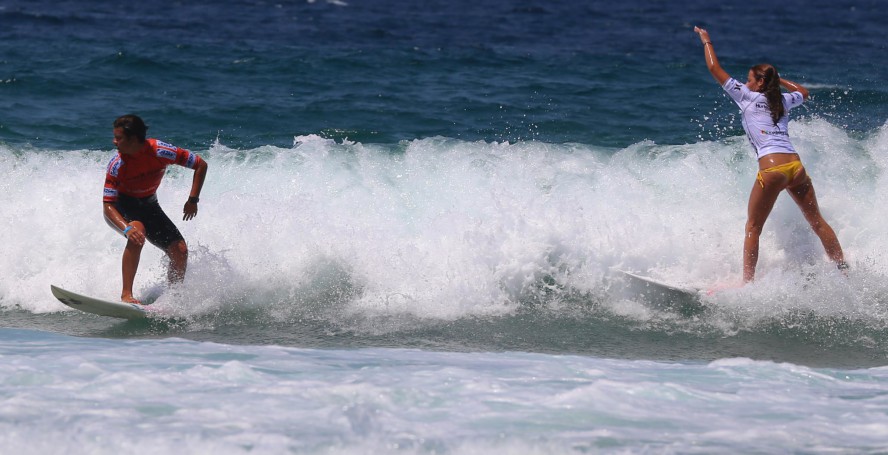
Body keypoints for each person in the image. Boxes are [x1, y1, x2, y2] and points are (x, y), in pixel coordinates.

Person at [693, 26, 847, 282]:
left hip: (772, 169)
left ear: (759, 82)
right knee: (818, 222)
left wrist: (706, 40)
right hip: (796, 168)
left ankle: (747, 284)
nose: (744, 83)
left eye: (749, 79)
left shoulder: (747, 97)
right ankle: (843, 270)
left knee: (753, 228)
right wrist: (780, 80)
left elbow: (714, 68)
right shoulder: (783, 101)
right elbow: (804, 93)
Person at [102, 114, 208, 303]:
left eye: (119, 138)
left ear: (133, 139)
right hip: (122, 206)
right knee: (137, 233)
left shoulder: (161, 151)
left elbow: (200, 165)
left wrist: (193, 199)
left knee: (180, 250)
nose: (114, 141)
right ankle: (126, 295)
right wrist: (125, 228)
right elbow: (107, 206)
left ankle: (173, 298)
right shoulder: (117, 165)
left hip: (149, 205)